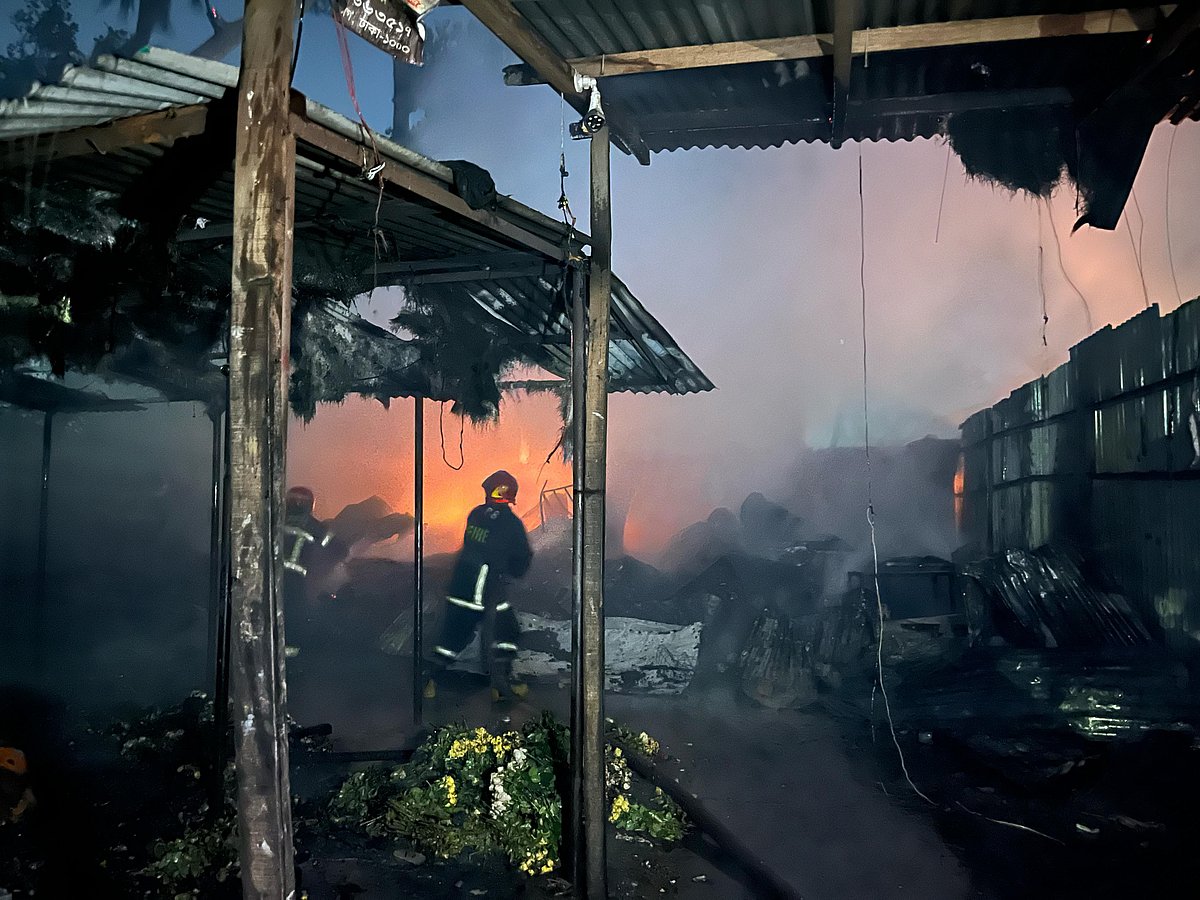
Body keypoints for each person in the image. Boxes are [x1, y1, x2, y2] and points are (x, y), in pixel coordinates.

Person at [424, 470, 533, 702]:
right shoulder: (510, 523)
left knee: (453, 638)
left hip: (460, 585)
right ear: (509, 494)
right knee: (506, 631)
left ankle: (429, 680)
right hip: (484, 590)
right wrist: (515, 570)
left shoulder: (476, 515)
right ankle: (500, 686)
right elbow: (521, 556)